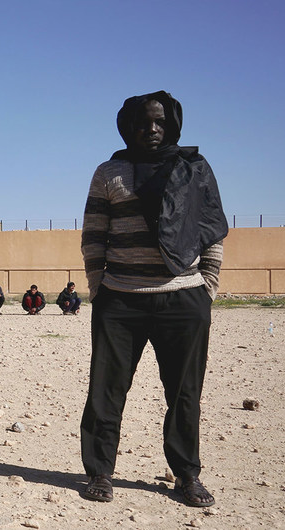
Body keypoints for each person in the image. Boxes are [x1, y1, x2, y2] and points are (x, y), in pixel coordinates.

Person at [79, 91, 226, 508]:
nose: (152, 129)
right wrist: (99, 287)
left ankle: (186, 475)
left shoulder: (194, 168)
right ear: (128, 127)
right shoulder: (110, 171)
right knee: (106, 390)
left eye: (160, 122)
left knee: (184, 392)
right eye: (143, 122)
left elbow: (211, 228)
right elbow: (94, 234)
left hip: (183, 300)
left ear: (173, 124)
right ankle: (100, 473)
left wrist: (207, 287)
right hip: (120, 301)